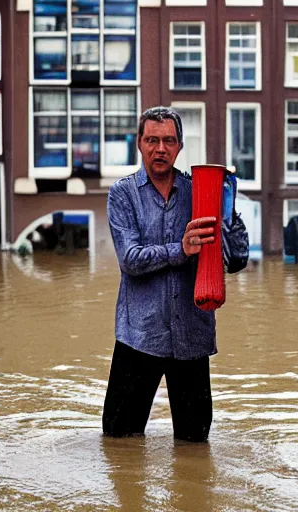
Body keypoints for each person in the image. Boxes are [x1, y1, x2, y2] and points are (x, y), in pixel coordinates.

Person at [103, 106, 249, 442]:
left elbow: (237, 260)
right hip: (139, 336)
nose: (160, 148)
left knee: (195, 446)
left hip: (191, 336)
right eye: (152, 140)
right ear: (139, 144)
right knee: (119, 441)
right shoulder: (123, 194)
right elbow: (130, 259)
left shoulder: (201, 190)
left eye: (169, 140)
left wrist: (228, 211)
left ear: (180, 146)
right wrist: (181, 249)